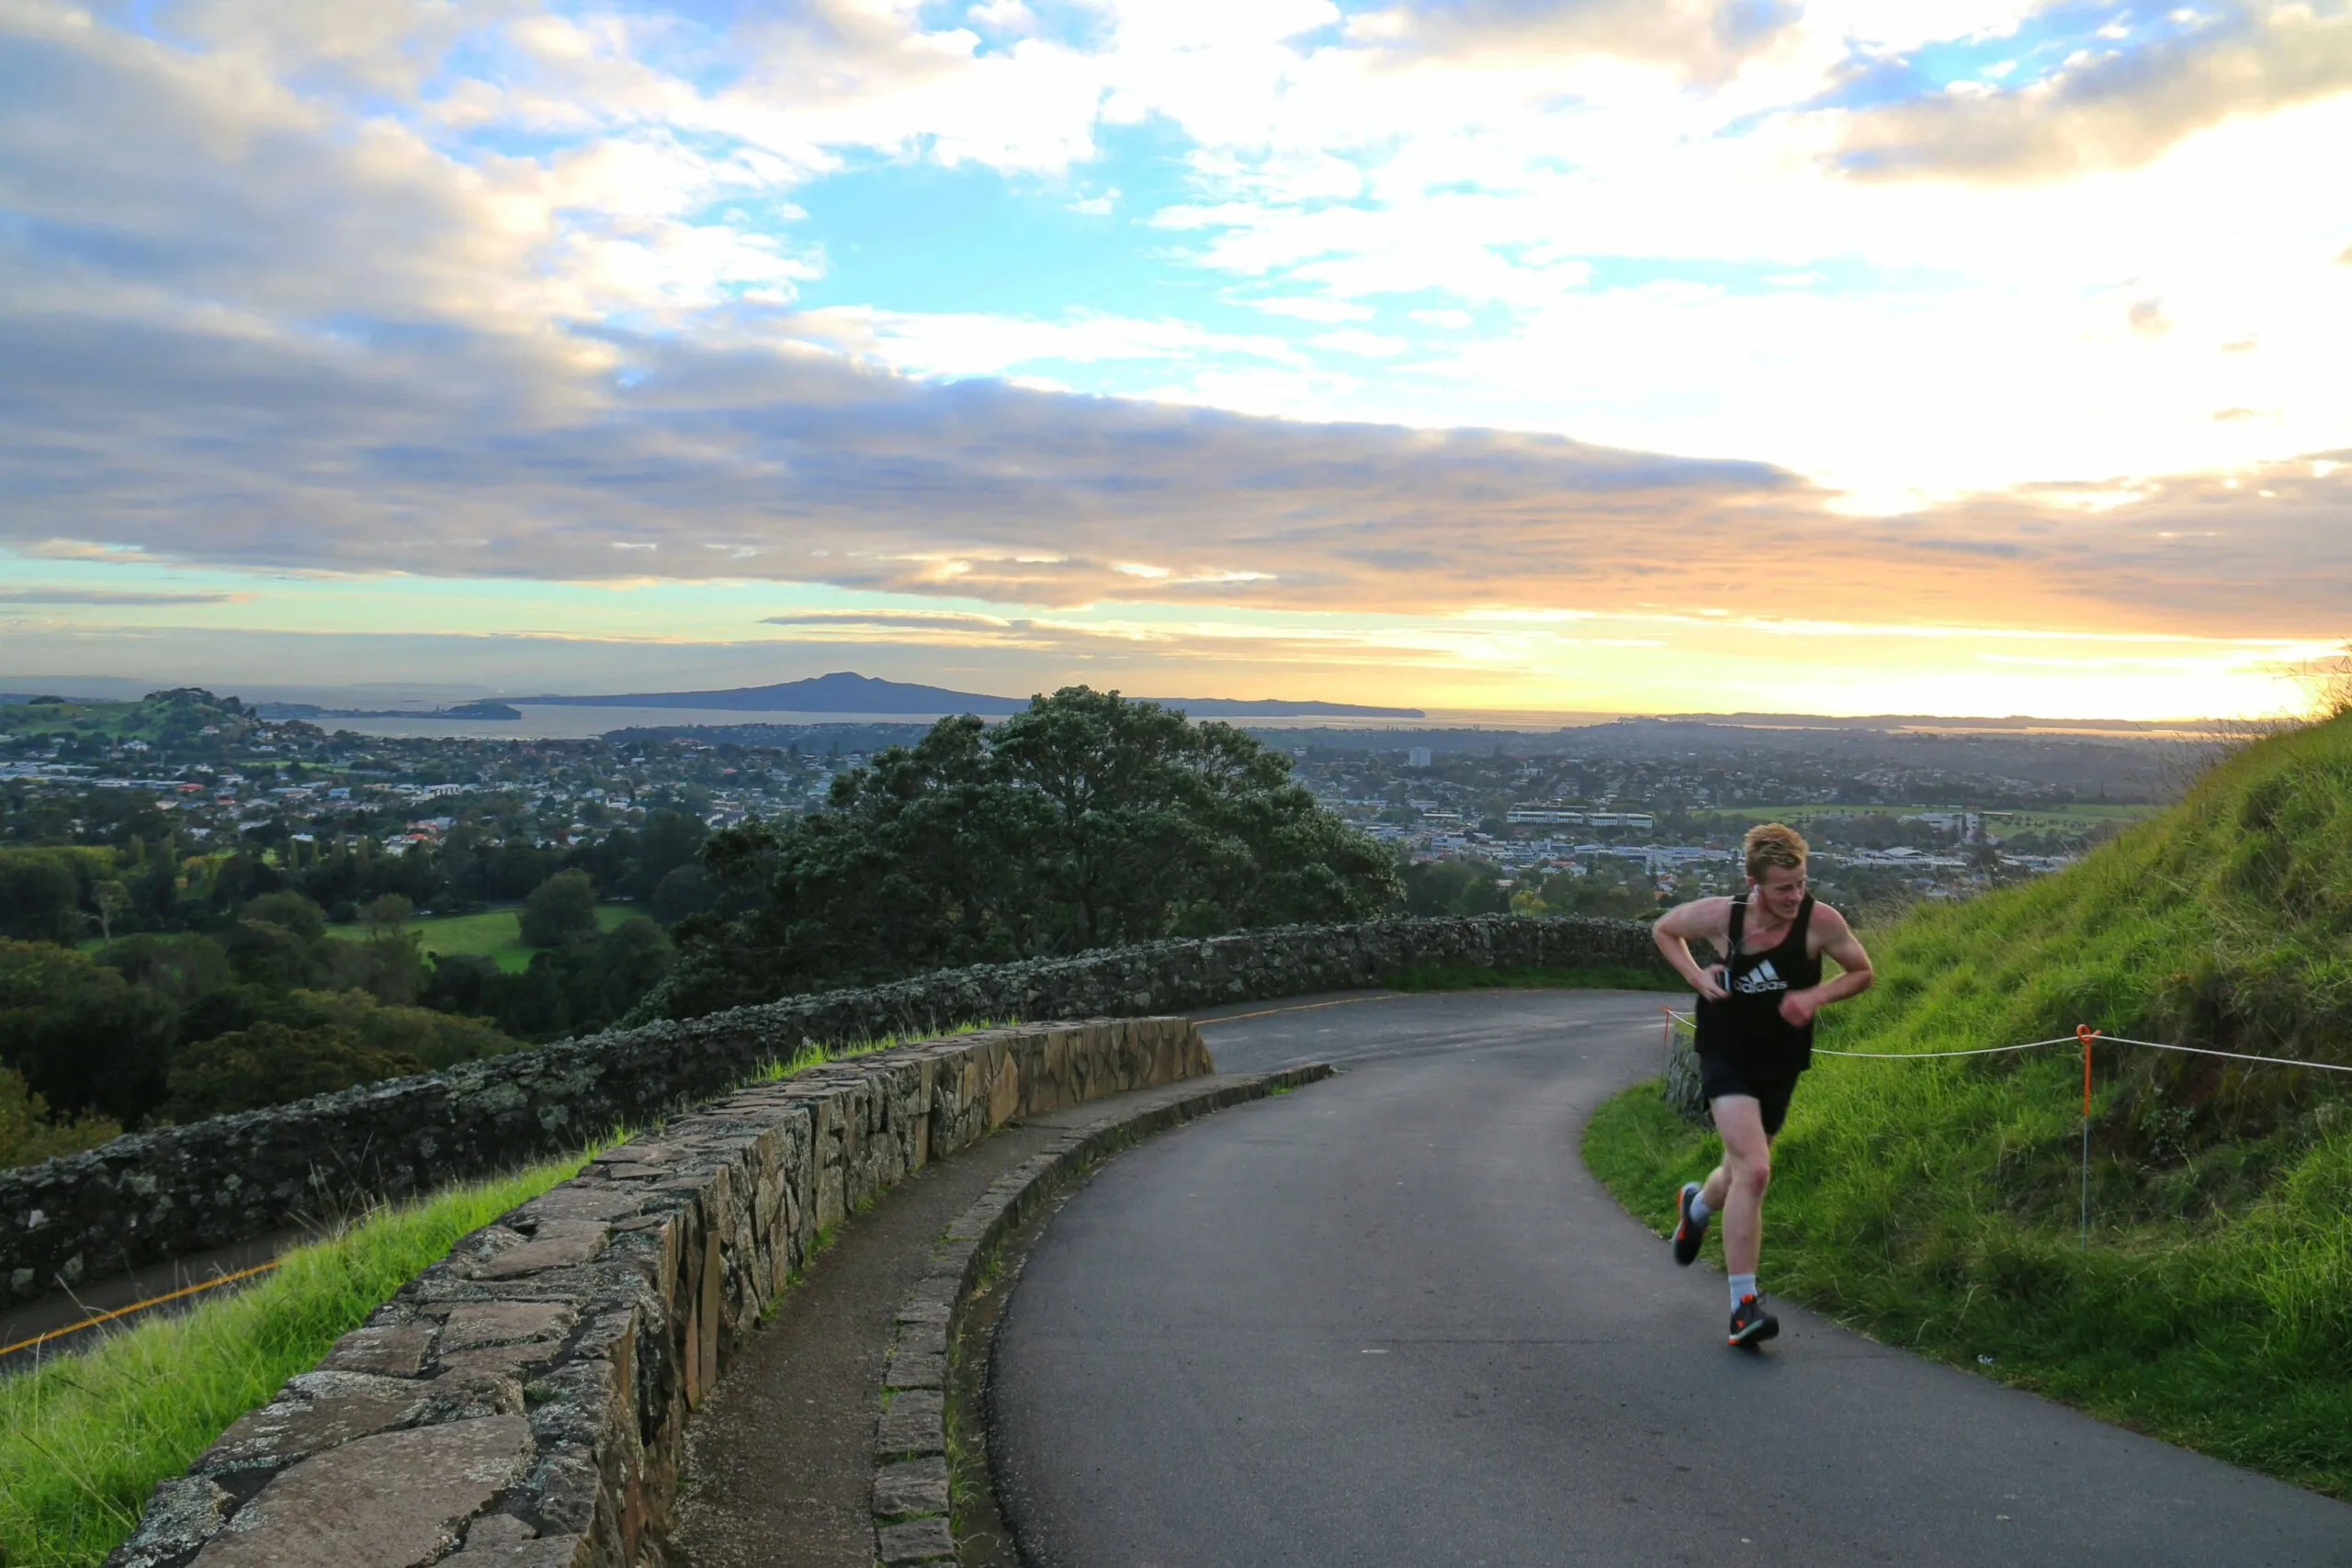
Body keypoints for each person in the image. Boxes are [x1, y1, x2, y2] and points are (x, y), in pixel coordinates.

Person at [1650, 823, 1873, 1348]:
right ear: (1754, 884)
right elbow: (1664, 929)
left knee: (1738, 1171)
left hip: (1781, 1061)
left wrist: (1815, 997)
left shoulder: (1821, 921)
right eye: (1783, 888)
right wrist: (1697, 978)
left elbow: (1861, 972)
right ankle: (1742, 1307)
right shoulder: (1722, 917)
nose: (1795, 896)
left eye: (1801, 883)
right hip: (1725, 1054)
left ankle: (1696, 1209)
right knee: (1755, 1169)